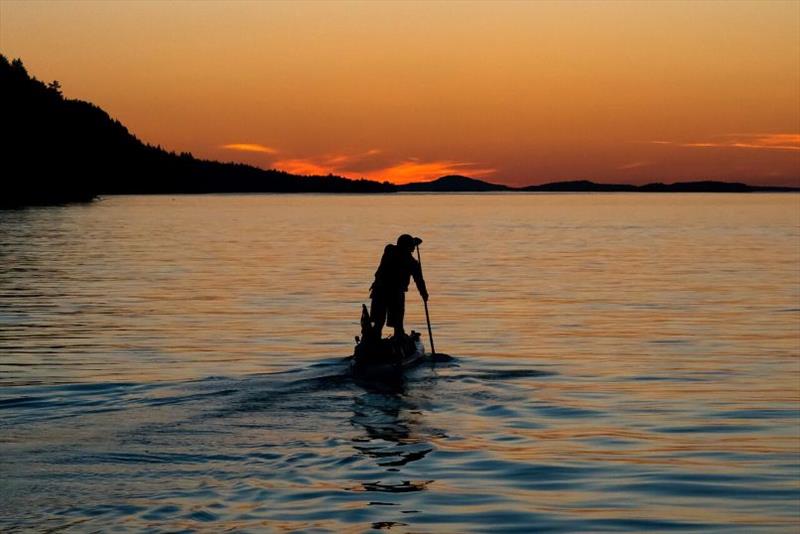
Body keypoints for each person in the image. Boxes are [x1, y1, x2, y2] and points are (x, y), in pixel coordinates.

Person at [369, 234, 429, 339]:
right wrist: (424, 294)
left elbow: (400, 248)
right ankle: (397, 338)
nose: (414, 248)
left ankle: (375, 341)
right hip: (394, 293)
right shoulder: (412, 263)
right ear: (408, 247)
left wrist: (413, 242)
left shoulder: (389, 250)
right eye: (412, 246)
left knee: (378, 323)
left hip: (379, 290)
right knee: (397, 325)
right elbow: (419, 280)